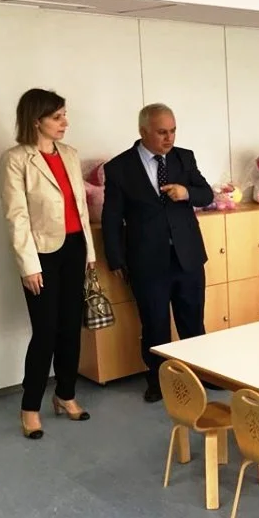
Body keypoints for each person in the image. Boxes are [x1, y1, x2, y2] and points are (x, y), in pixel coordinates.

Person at [0, 89, 96, 440]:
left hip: (73, 247)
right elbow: (16, 216)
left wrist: (89, 254)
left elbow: (80, 209)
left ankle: (65, 395)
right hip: (41, 254)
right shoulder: (16, 159)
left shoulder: (69, 154)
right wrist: (28, 265)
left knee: (70, 327)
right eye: (57, 117)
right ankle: (30, 407)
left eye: (64, 115)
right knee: (45, 332)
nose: (64, 122)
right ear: (36, 119)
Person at [101, 104, 214, 403]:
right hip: (147, 260)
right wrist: (115, 258)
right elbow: (112, 218)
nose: (169, 138)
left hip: (187, 256)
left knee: (193, 320)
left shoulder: (184, 157)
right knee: (155, 324)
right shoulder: (119, 167)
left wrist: (186, 193)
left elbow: (206, 194)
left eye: (173, 131)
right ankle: (158, 380)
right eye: (162, 132)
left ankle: (200, 375)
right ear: (143, 131)